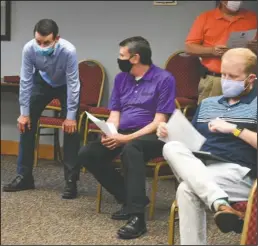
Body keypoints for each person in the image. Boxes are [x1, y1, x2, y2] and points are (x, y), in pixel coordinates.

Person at [77, 36, 176, 239]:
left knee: (132, 149)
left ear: (135, 57)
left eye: (122, 55)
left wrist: (127, 138)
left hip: (152, 135)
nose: (118, 59)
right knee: (88, 153)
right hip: (124, 133)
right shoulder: (121, 78)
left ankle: (137, 217)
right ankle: (127, 197)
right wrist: (110, 132)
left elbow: (159, 121)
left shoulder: (164, 79)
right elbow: (115, 114)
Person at [157, 48, 257, 245]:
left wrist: (235, 129)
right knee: (171, 147)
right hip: (202, 168)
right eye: (223, 75)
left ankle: (218, 202)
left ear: (250, 78)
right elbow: (193, 142)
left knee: (186, 189)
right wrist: (169, 133)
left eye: (233, 76)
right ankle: (220, 203)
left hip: (239, 173)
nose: (226, 80)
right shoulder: (208, 104)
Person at [3, 19, 81, 199]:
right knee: (26, 125)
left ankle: (71, 181)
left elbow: (73, 83)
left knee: (71, 130)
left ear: (56, 39)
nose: (42, 46)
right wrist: (24, 114)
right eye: (39, 42)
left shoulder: (68, 50)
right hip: (42, 82)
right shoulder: (29, 49)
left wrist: (70, 116)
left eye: (46, 42)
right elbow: (25, 80)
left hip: (65, 85)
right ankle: (24, 176)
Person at [185, 0, 257, 104]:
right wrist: (212, 51)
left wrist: (255, 46)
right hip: (215, 79)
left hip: (244, 81)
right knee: (209, 117)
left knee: (242, 117)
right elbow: (189, 47)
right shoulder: (205, 17)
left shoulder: (252, 17)